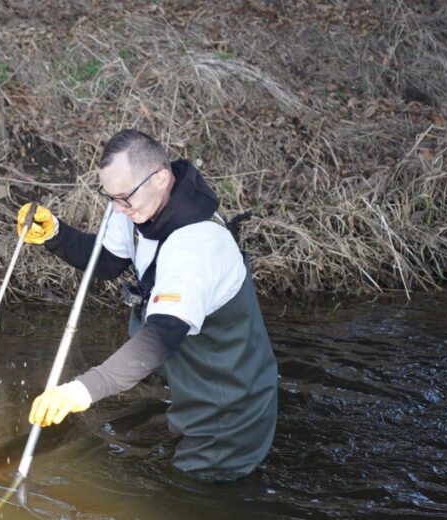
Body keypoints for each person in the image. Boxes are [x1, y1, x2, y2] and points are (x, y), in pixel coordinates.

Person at [18, 129, 277, 482]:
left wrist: (82, 389)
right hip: (190, 380)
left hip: (228, 405)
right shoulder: (137, 210)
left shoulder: (196, 246)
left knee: (196, 492)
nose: (117, 209)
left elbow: (162, 336)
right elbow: (109, 260)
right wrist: (56, 235)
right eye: (109, 197)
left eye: (124, 197)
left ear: (160, 178)